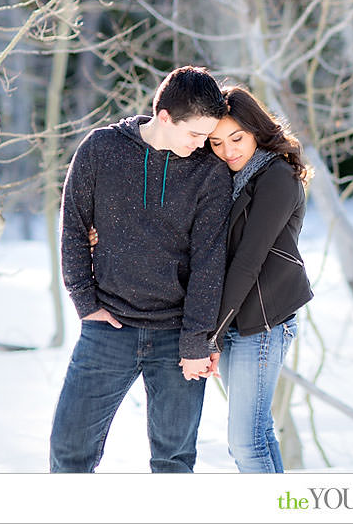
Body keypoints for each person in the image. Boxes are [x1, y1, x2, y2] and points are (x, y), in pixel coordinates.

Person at [50, 65, 232, 473]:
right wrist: (85, 302)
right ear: (165, 117)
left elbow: (209, 261)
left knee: (174, 461)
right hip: (108, 328)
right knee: (69, 452)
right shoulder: (101, 150)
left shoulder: (209, 171)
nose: (204, 144)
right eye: (196, 134)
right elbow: (74, 228)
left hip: (177, 336)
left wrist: (195, 340)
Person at [203, 85, 313, 473]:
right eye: (216, 142)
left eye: (237, 138)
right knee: (258, 432)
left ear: (256, 130)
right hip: (236, 319)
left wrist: (209, 334)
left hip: (263, 323)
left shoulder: (277, 176)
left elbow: (249, 260)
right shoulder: (229, 178)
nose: (229, 150)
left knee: (244, 442)